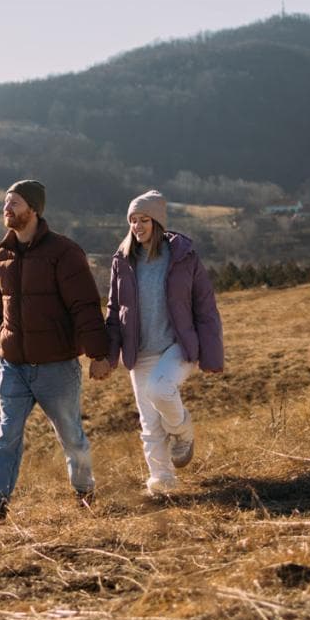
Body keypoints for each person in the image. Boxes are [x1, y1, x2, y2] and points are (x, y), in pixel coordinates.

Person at [0, 180, 111, 521]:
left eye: (14, 203)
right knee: (6, 437)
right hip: (13, 367)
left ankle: (84, 494)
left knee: (71, 437)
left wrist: (99, 355)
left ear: (34, 209)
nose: (6, 209)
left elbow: (85, 307)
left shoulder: (64, 253)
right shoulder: (2, 255)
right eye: (5, 203)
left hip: (56, 367)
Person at [97, 189, 224, 496]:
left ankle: (183, 432)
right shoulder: (123, 261)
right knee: (149, 423)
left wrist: (212, 356)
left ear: (157, 222)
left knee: (160, 389)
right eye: (132, 221)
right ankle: (162, 481)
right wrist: (108, 355)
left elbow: (205, 306)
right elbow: (114, 311)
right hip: (138, 351)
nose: (137, 226)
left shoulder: (183, 257)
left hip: (176, 345)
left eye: (144, 220)